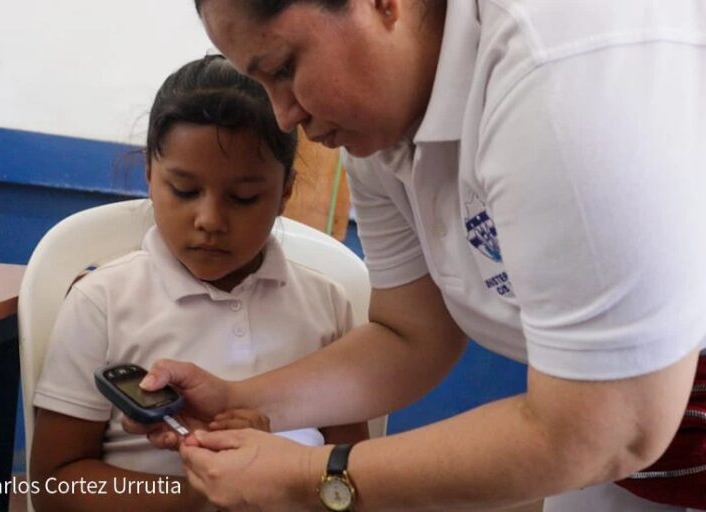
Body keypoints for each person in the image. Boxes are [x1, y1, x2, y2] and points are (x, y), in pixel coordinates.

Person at [125, 1, 706, 511]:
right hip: (630, 444)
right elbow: (411, 333)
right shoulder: (378, 132)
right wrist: (239, 399)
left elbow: (608, 428)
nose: (283, 117)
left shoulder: (563, 74)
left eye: (283, 69)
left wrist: (313, 477)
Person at [30, 55, 369, 512]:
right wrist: (202, 486)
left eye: (244, 197)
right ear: (150, 174)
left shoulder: (327, 305)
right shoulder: (103, 301)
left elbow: (351, 470)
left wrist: (275, 470)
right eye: (185, 191)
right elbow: (56, 483)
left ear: (285, 191)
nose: (210, 220)